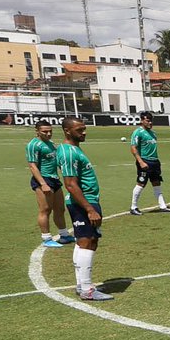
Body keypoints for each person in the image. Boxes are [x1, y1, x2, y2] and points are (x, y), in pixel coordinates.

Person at [56, 116, 112, 301]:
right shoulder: (69, 152)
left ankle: (82, 285)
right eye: (80, 130)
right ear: (67, 131)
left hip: (85, 200)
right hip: (82, 202)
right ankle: (87, 289)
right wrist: (89, 209)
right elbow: (70, 184)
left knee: (85, 240)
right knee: (87, 241)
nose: (84, 132)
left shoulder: (72, 149)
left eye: (84, 129)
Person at [27, 121, 74, 247]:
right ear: (37, 131)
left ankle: (64, 235)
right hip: (43, 179)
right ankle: (46, 238)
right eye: (45, 131)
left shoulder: (51, 144)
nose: (48, 134)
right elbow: (32, 166)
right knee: (45, 209)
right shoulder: (33, 145)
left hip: (54, 179)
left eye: (50, 131)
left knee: (60, 209)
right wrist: (43, 184)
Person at [129, 111, 170, 215]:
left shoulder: (153, 133)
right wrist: (140, 162)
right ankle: (133, 207)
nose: (150, 122)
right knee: (141, 183)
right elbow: (133, 148)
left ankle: (162, 206)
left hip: (155, 162)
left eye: (151, 120)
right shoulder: (138, 132)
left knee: (156, 183)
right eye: (148, 120)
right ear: (142, 121)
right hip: (144, 161)